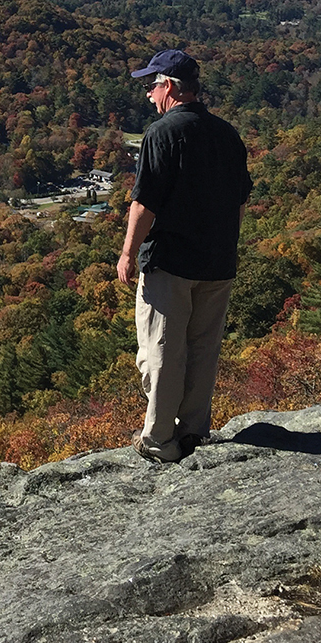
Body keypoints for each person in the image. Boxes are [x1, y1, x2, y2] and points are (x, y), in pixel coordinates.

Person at [116, 49, 251, 463]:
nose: (148, 95)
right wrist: (225, 243)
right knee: (202, 350)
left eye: (151, 85)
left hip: (171, 262)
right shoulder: (226, 134)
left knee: (159, 351)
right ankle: (193, 432)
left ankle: (159, 440)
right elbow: (239, 200)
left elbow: (144, 205)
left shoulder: (162, 133)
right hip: (217, 261)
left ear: (170, 86)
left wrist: (127, 254)